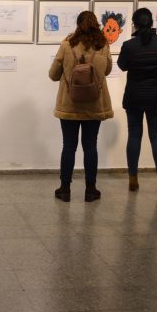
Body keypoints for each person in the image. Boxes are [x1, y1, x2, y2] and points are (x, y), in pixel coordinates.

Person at [49, 10, 114, 203]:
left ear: (77, 24)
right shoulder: (102, 45)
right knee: (90, 146)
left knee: (68, 146)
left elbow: (53, 74)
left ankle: (65, 189)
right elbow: (108, 70)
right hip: (94, 104)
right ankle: (90, 190)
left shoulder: (67, 44)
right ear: (97, 25)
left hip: (69, 104)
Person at [117, 7, 157, 196]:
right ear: (151, 22)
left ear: (135, 24)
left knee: (134, 136)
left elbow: (122, 66)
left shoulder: (129, 46)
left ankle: (133, 180)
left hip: (134, 96)